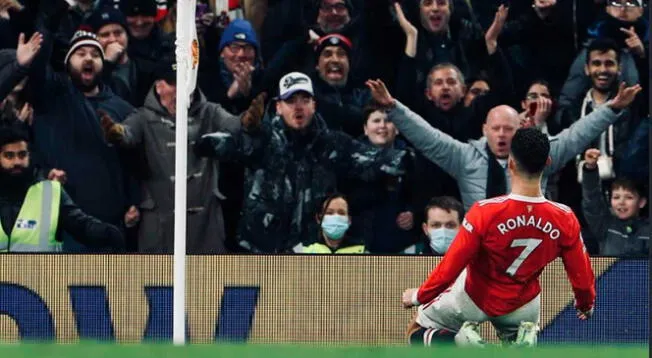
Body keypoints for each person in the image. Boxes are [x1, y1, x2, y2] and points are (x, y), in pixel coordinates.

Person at [399, 128, 596, 347]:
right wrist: (585, 303)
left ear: (511, 163)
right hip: (524, 304)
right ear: (548, 162)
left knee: (415, 333)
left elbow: (452, 265)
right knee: (516, 341)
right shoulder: (565, 217)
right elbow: (581, 272)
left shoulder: (484, 211)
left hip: (474, 297)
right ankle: (521, 343)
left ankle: (460, 343)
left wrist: (419, 295)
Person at [194, 72, 406, 253]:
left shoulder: (332, 144)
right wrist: (242, 127)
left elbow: (384, 161)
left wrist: (414, 157)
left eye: (304, 100)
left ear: (314, 105)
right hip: (260, 254)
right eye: (290, 100)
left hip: (312, 254)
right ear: (278, 107)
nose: (298, 107)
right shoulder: (262, 140)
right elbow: (206, 146)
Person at [365, 78, 642, 211]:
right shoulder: (464, 157)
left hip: (530, 246)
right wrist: (392, 108)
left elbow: (576, 135)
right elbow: (427, 137)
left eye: (507, 129)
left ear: (520, 129)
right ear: (484, 129)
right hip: (482, 249)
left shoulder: (538, 154)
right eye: (495, 129)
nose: (500, 135)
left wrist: (612, 107)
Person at [0, 114, 124, 252]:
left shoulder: (50, 192)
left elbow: (81, 225)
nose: (17, 162)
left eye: (22, 155)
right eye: (9, 156)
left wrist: (107, 232)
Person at [581, 148, 649, 257]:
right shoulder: (604, 225)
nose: (621, 202)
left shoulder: (648, 230)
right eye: (616, 197)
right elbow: (591, 201)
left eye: (629, 197)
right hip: (609, 274)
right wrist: (590, 168)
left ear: (641, 202)